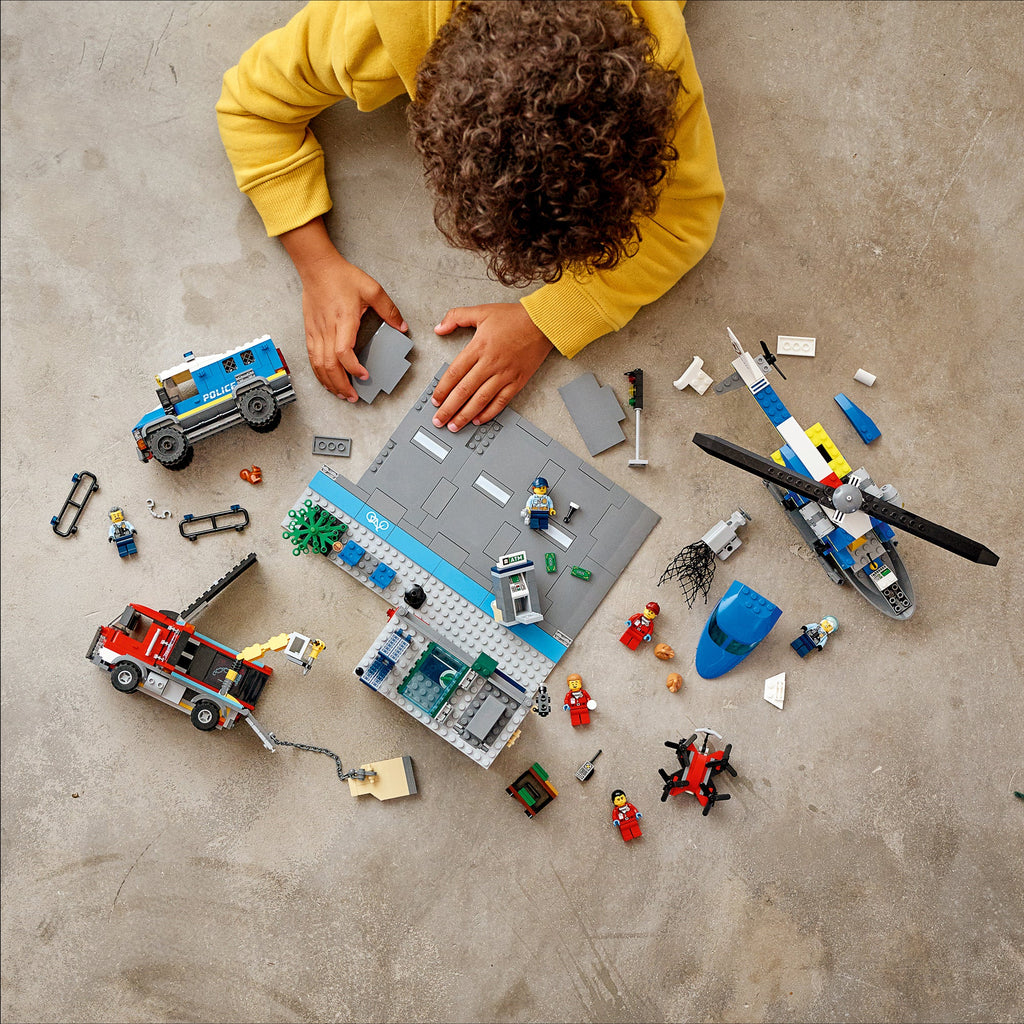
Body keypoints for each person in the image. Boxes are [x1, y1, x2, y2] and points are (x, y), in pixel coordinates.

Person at [217, 1, 724, 429]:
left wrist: (545, 319)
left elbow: (686, 220)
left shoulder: (655, 69)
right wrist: (316, 263)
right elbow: (248, 104)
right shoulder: (373, 29)